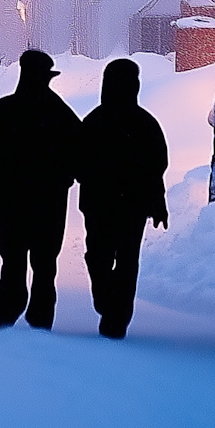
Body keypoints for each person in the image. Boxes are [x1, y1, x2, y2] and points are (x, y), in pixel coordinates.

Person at [0, 49, 82, 329]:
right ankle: (40, 316)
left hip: (11, 200)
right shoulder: (61, 113)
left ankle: (9, 309)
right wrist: (60, 175)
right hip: (49, 201)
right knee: (44, 262)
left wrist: (7, 171)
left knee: (13, 258)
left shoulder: (4, 109)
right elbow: (80, 155)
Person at [78, 57, 169, 339]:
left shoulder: (93, 121)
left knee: (100, 256)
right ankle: (117, 314)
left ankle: (108, 304)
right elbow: (157, 168)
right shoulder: (146, 124)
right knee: (126, 260)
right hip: (130, 205)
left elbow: (77, 164)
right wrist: (157, 203)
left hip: (101, 204)